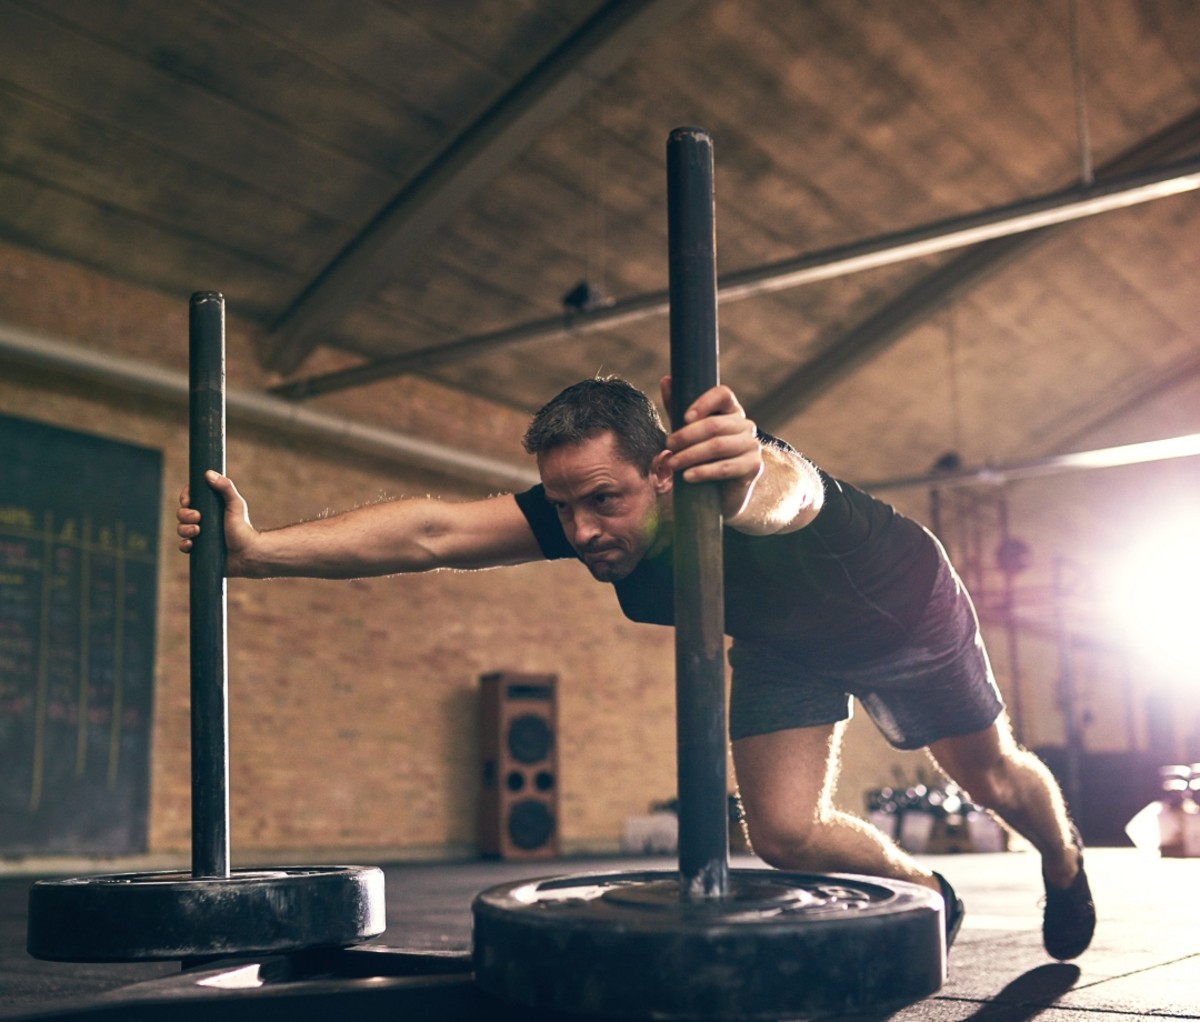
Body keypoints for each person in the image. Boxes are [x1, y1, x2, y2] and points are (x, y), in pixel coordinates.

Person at [177, 374, 1095, 959]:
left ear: (663, 470)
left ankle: (1063, 856)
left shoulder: (730, 478)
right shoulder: (583, 511)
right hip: (786, 643)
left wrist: (745, 477)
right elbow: (433, 530)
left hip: (900, 606)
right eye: (565, 505)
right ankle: (933, 894)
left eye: (603, 499)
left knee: (992, 779)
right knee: (782, 832)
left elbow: (788, 490)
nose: (581, 532)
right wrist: (258, 553)